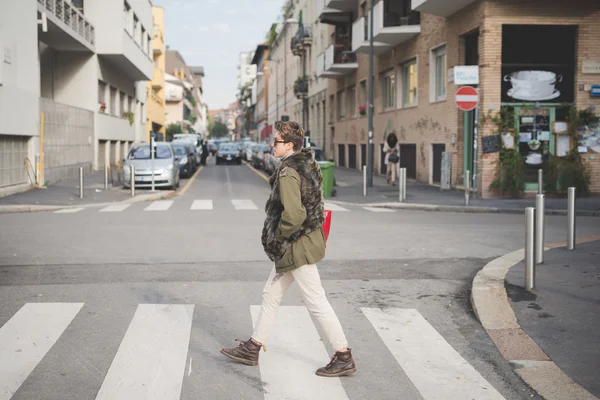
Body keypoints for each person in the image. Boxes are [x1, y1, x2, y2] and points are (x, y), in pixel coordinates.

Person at [220, 121, 356, 378]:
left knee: (316, 301)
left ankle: (343, 355)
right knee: (271, 294)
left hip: (296, 246)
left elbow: (294, 215)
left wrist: (278, 236)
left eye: (276, 142)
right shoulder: (307, 164)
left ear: (289, 145)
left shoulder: (288, 173)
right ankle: (253, 347)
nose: (272, 146)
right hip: (302, 243)